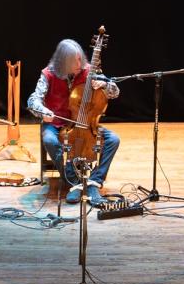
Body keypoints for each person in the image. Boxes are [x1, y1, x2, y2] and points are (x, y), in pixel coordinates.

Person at [26, 38, 120, 206]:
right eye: (73, 61)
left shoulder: (89, 70)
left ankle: (94, 182)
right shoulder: (49, 73)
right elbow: (33, 100)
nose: (79, 64)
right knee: (49, 140)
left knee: (113, 140)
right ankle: (73, 181)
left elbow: (115, 91)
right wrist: (43, 111)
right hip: (57, 123)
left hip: (85, 122)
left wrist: (105, 86)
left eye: (79, 58)